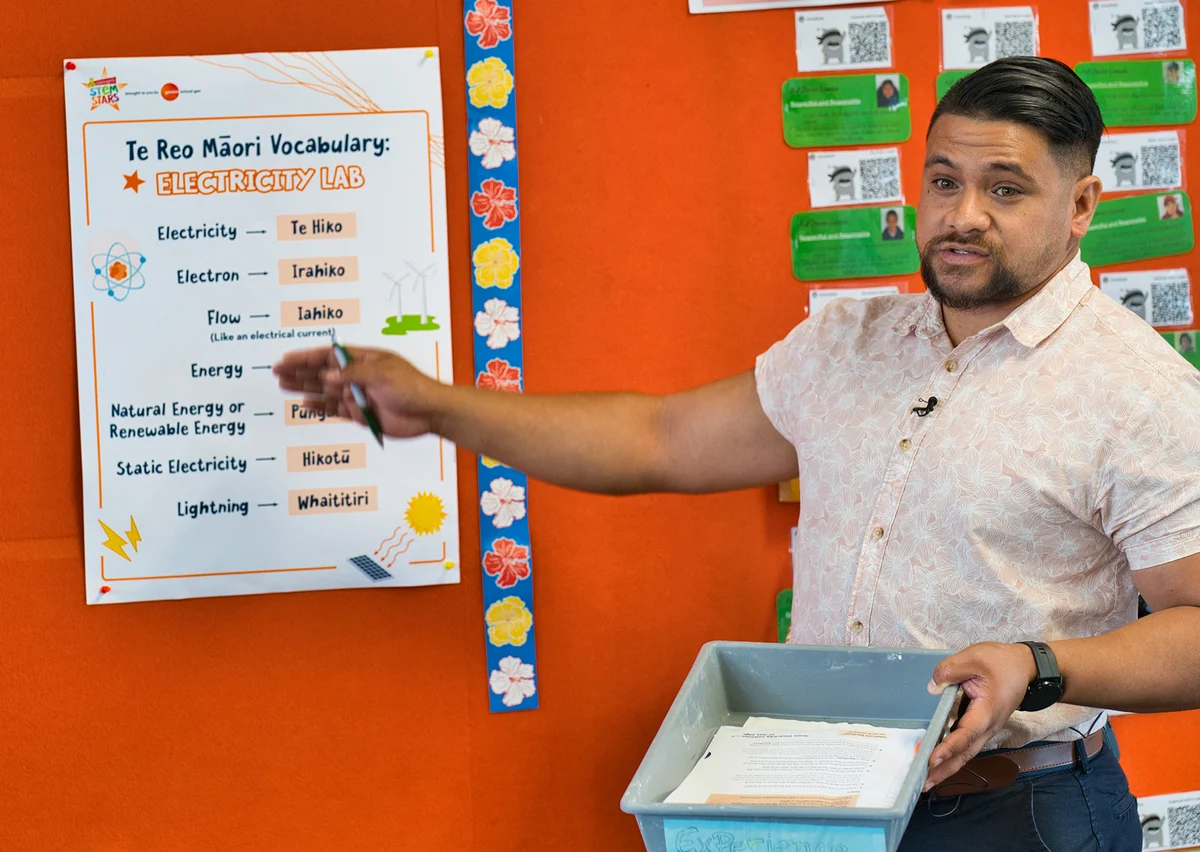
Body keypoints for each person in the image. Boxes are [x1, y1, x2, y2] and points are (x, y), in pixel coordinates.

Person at [276, 58, 1200, 850]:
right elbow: (656, 440)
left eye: (1005, 189)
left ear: (1081, 205)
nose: (963, 215)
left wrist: (1038, 664)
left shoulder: (1136, 391)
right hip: (826, 799)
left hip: (1023, 812)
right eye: (942, 181)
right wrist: (437, 407)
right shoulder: (851, 343)